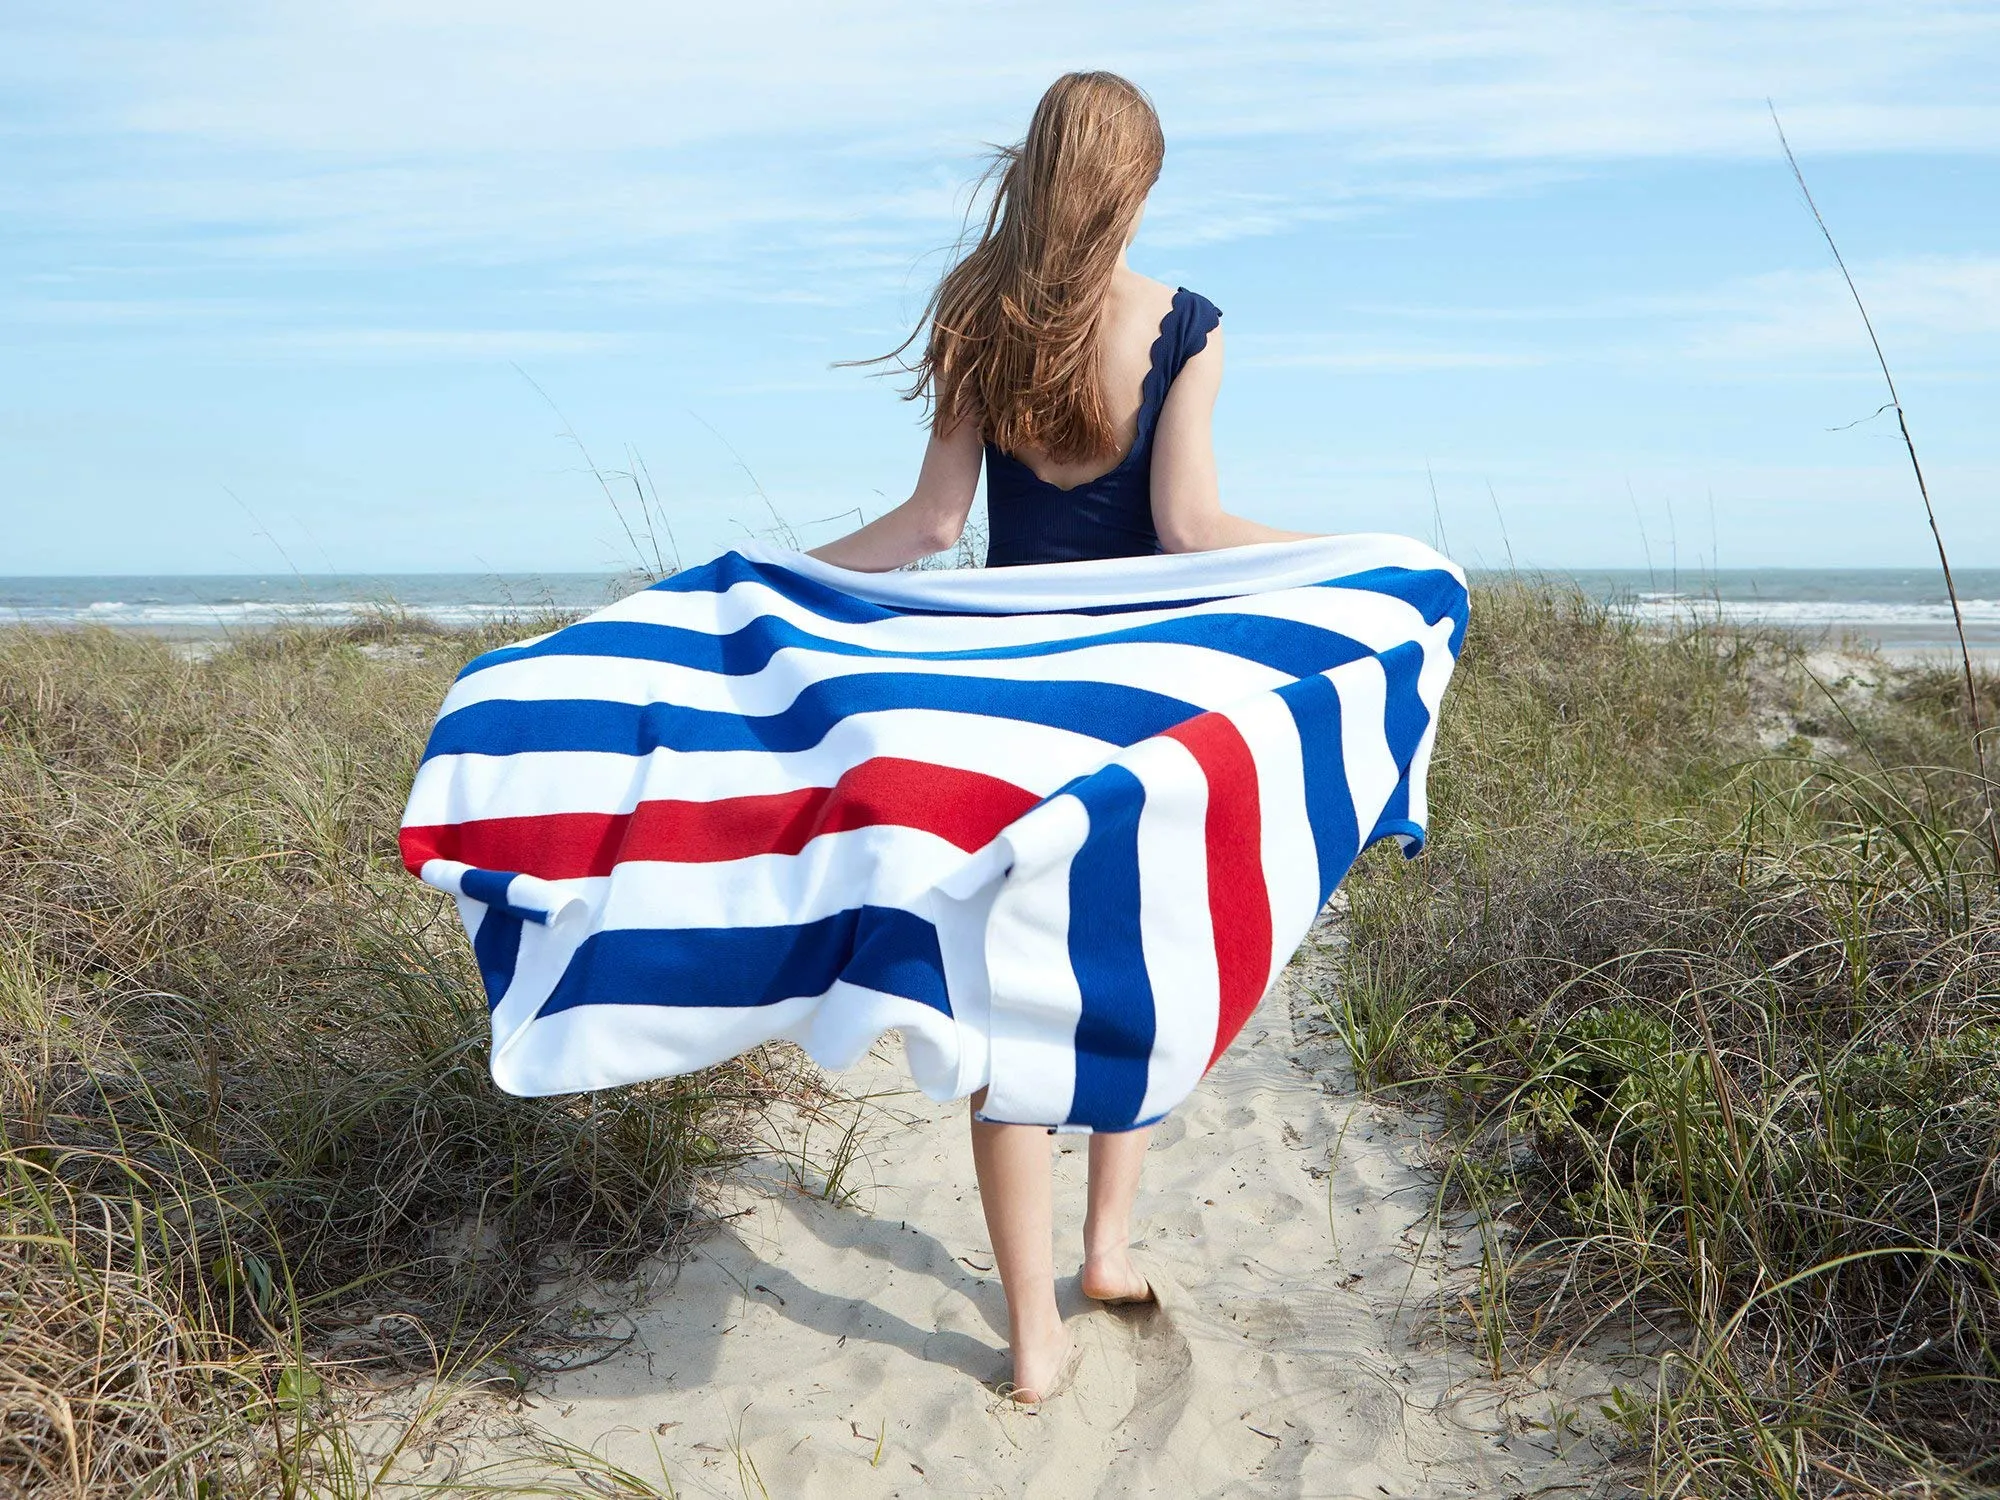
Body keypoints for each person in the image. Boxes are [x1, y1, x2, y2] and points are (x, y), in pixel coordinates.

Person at [807, 71, 1314, 1404]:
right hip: (1152, 697)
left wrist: (781, 572)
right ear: (1137, 181)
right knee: (1130, 968)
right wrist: (1341, 551)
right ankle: (1106, 1251)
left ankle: (1031, 1339)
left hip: (1009, 697)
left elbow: (927, 531)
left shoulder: (983, 315)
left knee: (1008, 996)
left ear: (1037, 167)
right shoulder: (1187, 324)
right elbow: (1195, 532)